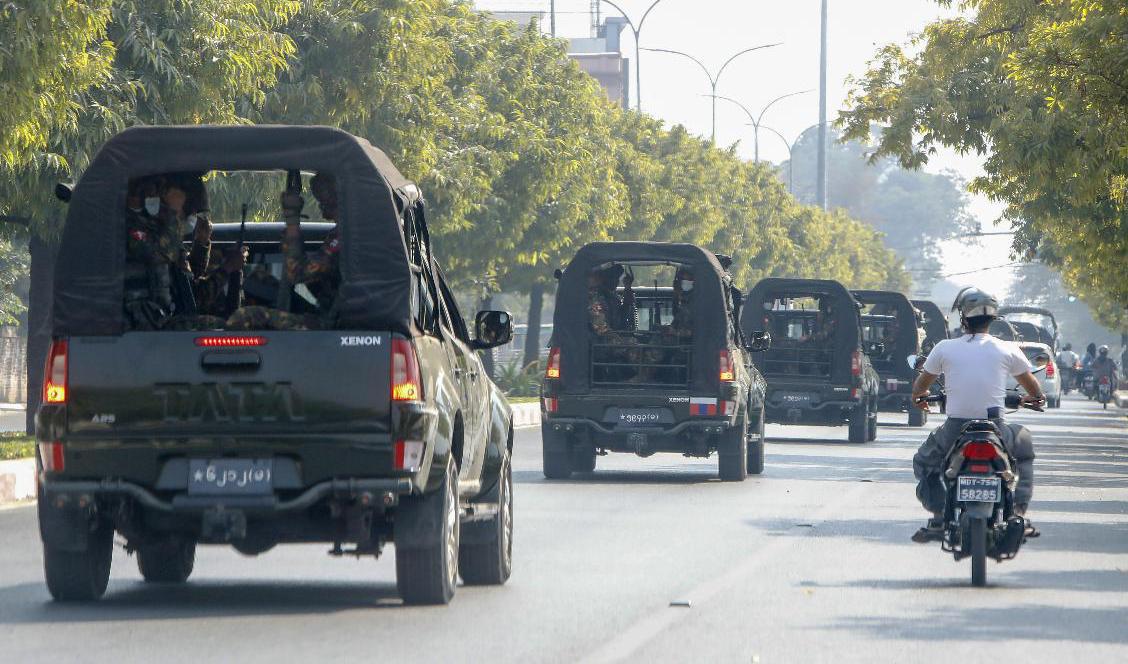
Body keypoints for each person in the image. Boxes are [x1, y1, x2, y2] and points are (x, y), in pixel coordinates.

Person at [909, 287, 1045, 543]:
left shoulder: (944, 348)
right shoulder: (1007, 348)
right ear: (992, 318)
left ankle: (938, 516)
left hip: (955, 429)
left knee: (924, 462)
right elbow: (1035, 391)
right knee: (1024, 448)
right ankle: (1018, 513)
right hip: (996, 428)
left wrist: (920, 398)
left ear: (963, 317)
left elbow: (920, 387)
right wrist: (1034, 399)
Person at [226, 172, 341, 331]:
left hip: (333, 323)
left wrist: (292, 222)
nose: (320, 206)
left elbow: (297, 273)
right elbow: (315, 277)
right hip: (328, 311)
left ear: (335, 198)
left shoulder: (345, 235)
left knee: (245, 317)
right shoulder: (343, 232)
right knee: (258, 280)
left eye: (323, 200)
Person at [123, 174, 216, 330]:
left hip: (161, 319)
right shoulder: (132, 227)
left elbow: (186, 282)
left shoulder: (162, 234)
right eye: (185, 212)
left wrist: (201, 245)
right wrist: (171, 212)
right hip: (138, 323)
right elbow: (158, 252)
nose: (187, 218)